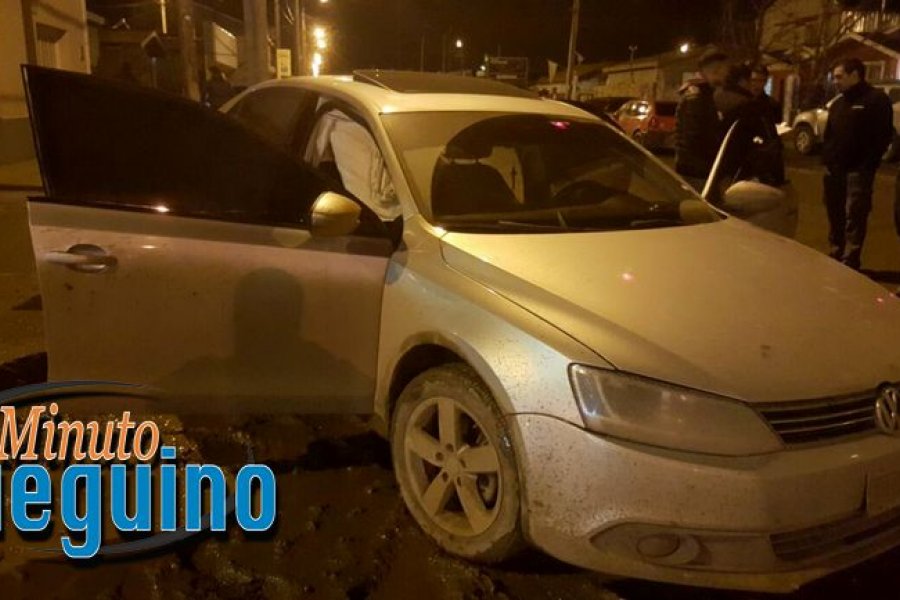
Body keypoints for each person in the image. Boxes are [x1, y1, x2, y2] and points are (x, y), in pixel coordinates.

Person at [822, 58, 893, 270]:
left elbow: (883, 135)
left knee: (854, 214)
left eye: (839, 77)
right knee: (835, 212)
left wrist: (868, 164)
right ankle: (836, 250)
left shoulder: (875, 100)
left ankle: (850, 258)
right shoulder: (838, 104)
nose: (835, 81)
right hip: (835, 170)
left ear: (854, 75)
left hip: (858, 171)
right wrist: (827, 160)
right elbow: (829, 136)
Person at [714, 63, 786, 190]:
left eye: (761, 81)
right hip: (737, 166)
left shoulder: (771, 105)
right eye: (753, 80)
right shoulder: (739, 102)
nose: (756, 84)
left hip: (757, 166)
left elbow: (772, 139)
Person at [675, 49, 729, 193]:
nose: (727, 75)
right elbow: (694, 137)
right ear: (716, 70)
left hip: (699, 170)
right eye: (725, 70)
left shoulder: (706, 94)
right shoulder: (697, 97)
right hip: (697, 173)